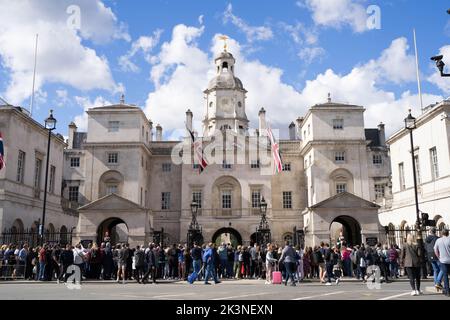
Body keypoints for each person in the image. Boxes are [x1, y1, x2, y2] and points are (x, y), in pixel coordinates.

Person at [434, 229, 450, 297]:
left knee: (445, 276)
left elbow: (435, 249)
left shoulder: (438, 240)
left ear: (441, 233)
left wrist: (438, 257)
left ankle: (447, 291)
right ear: (448, 233)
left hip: (443, 260)